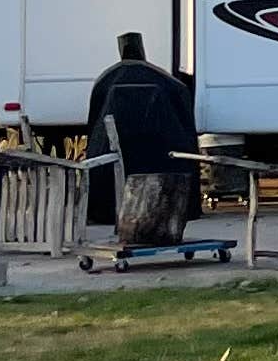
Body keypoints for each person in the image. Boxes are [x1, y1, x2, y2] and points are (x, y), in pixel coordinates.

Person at [84, 31, 199, 247]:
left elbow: (93, 124)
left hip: (117, 152)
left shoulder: (107, 79)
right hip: (161, 152)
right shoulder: (164, 79)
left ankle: (109, 212)